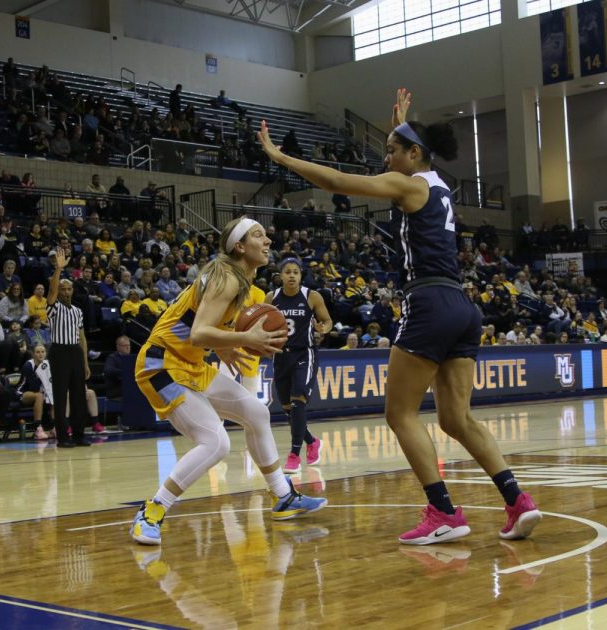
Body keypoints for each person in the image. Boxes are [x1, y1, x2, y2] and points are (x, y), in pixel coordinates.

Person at [257, 88, 540, 544]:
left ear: (415, 153)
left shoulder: (411, 184)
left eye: (391, 150)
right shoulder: (441, 186)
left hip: (428, 303)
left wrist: (280, 157)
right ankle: (517, 500)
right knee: (457, 419)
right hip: (462, 306)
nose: (385, 158)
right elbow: (406, 154)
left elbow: (335, 182)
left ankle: (443, 511)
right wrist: (402, 124)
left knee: (400, 413)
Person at [130, 217, 325, 546]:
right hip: (161, 363)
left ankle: (283, 496)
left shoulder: (240, 279)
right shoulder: (226, 278)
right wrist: (242, 336)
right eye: (259, 235)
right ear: (239, 246)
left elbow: (200, 329)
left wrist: (228, 345)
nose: (268, 241)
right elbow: (198, 332)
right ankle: (152, 510)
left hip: (191, 363)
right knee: (216, 443)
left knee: (257, 413)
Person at [265, 258, 332, 473]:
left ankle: (294, 454)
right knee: (288, 409)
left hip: (305, 353)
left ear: (300, 275)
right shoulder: (271, 297)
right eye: (287, 272)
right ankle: (312, 441)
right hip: (280, 356)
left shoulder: (311, 296)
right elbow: (262, 324)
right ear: (280, 275)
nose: (292, 276)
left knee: (298, 400)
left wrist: (324, 329)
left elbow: (327, 321)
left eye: (295, 272)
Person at [46, 249, 90, 448]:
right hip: (59, 352)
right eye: (63, 289)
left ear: (72, 291)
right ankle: (63, 437)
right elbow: (52, 291)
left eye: (68, 289)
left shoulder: (78, 311)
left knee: (79, 395)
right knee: (61, 395)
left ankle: (79, 435)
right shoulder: (54, 307)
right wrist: (59, 270)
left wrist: (86, 362)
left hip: (75, 352)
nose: (65, 292)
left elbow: (82, 337)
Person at [20, 344, 55, 441]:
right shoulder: (28, 365)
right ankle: (38, 429)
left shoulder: (47, 365)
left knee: (54, 396)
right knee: (39, 396)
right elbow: (32, 387)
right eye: (38, 352)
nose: (40, 354)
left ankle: (54, 427)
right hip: (24, 393)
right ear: (33, 354)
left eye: (43, 352)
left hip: (41, 394)